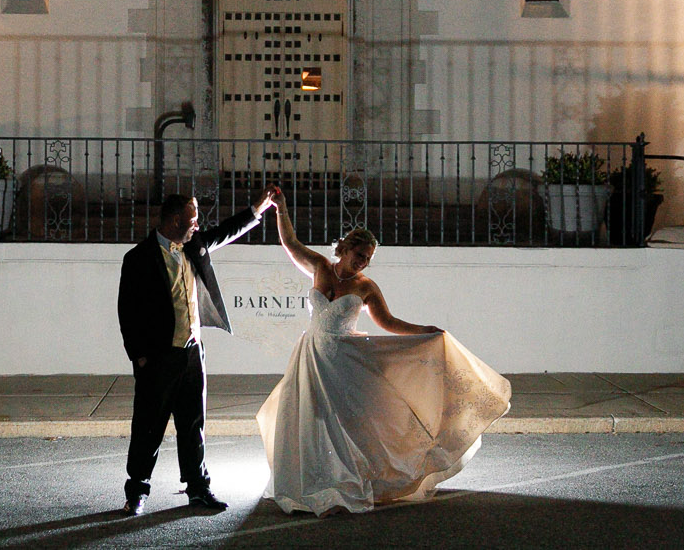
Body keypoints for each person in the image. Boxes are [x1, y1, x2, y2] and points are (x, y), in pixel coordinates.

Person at [257, 188, 511, 515]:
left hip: (344, 361)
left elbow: (388, 322)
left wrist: (425, 332)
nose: (363, 262)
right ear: (345, 248)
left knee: (344, 424)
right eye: (359, 255)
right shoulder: (320, 267)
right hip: (312, 356)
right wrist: (280, 207)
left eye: (367, 259)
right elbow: (290, 243)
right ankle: (313, 484)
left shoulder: (365, 287)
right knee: (309, 419)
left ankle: (348, 484)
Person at [117, 186, 275, 516]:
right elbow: (127, 311)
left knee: (193, 425)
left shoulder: (194, 245)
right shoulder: (138, 258)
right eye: (193, 219)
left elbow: (226, 230)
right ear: (175, 220)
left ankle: (198, 489)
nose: (198, 225)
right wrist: (140, 357)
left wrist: (258, 207)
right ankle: (137, 493)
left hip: (192, 354)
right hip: (158, 358)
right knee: (149, 427)